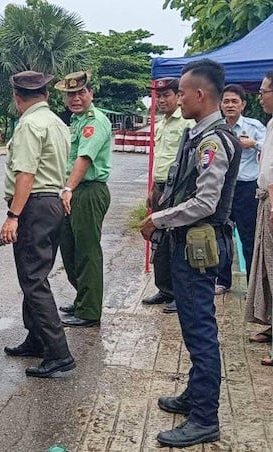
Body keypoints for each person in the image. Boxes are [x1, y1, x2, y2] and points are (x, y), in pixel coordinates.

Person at [140, 59, 241, 447]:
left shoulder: (213, 140)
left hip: (198, 245)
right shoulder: (199, 134)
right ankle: (194, 396)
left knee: (200, 332)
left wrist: (159, 219)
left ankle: (204, 418)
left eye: (181, 93)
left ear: (200, 94)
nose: (177, 99)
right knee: (192, 327)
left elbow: (206, 202)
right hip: (187, 245)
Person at [1, 71, 75, 378]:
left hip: (35, 205)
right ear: (45, 95)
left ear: (18, 98)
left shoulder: (30, 124)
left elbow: (26, 175)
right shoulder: (57, 122)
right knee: (36, 274)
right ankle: (37, 338)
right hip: (52, 203)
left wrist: (13, 216)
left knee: (33, 279)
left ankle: (59, 353)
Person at [55, 70, 112, 327]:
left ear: (91, 93)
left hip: (88, 191)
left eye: (81, 92)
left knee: (87, 251)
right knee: (70, 249)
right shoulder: (76, 121)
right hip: (74, 191)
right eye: (71, 94)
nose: (76, 98)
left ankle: (89, 311)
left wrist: (68, 189)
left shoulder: (94, 121)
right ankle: (82, 299)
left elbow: (85, 158)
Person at [142, 77, 195, 314]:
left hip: (178, 190)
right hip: (160, 188)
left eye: (167, 95)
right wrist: (152, 189)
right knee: (160, 242)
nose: (162, 100)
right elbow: (160, 160)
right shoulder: (160, 124)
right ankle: (164, 288)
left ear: (178, 96)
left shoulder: (186, 123)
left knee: (177, 241)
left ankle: (180, 293)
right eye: (158, 96)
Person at [215, 84, 267, 295]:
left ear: (243, 105)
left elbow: (268, 146)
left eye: (234, 101)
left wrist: (252, 143)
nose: (230, 105)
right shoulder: (218, 127)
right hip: (223, 187)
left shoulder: (254, 126)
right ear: (220, 104)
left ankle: (252, 286)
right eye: (226, 101)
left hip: (247, 188)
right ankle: (222, 281)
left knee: (248, 237)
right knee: (223, 235)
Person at [248, 71, 273, 357]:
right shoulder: (269, 124)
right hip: (265, 198)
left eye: (265, 90)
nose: (261, 95)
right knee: (265, 266)